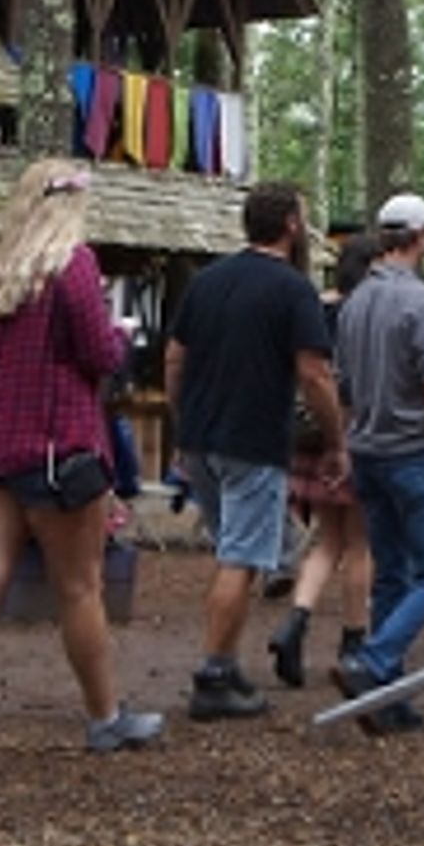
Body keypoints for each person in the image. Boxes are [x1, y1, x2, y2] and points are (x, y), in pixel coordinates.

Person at [0, 159, 164, 774]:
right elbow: (98, 354)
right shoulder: (72, 264)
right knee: (79, 589)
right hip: (55, 452)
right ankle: (105, 717)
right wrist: (123, 336)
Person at [166, 181, 346, 721]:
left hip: (201, 438)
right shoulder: (293, 290)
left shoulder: (207, 281)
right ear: (291, 224)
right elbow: (314, 373)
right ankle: (214, 673)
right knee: (241, 558)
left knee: (232, 552)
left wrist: (183, 419)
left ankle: (226, 662)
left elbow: (175, 358)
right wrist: (336, 438)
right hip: (253, 439)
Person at [330, 190, 424, 733]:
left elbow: (343, 385)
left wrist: (347, 439)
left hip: (368, 451)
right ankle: (374, 662)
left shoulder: (355, 301)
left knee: (392, 574)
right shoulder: (420, 302)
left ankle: (387, 698)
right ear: (420, 237)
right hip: (413, 451)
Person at [267, 231, 378, 688]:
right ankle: (353, 644)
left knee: (328, 541)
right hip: (353, 438)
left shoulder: (317, 307)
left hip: (311, 436)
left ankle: (295, 623)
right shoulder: (367, 314)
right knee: (360, 545)